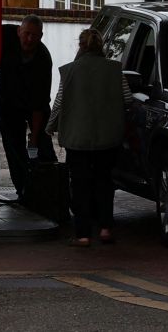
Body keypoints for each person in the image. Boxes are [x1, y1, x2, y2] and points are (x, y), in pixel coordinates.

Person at [48, 27, 126, 246]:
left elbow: (59, 103)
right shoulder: (115, 69)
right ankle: (105, 229)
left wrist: (50, 126)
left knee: (80, 185)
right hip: (107, 137)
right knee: (104, 182)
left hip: (77, 139)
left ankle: (82, 234)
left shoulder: (70, 71)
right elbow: (127, 99)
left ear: (80, 46)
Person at [0, 14, 54, 201]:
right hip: (8, 101)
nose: (29, 39)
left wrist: (34, 139)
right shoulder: (4, 36)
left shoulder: (43, 60)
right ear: (19, 31)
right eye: (26, 34)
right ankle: (23, 191)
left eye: (34, 36)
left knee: (43, 145)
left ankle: (51, 192)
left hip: (34, 103)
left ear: (41, 36)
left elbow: (39, 106)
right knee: (13, 147)